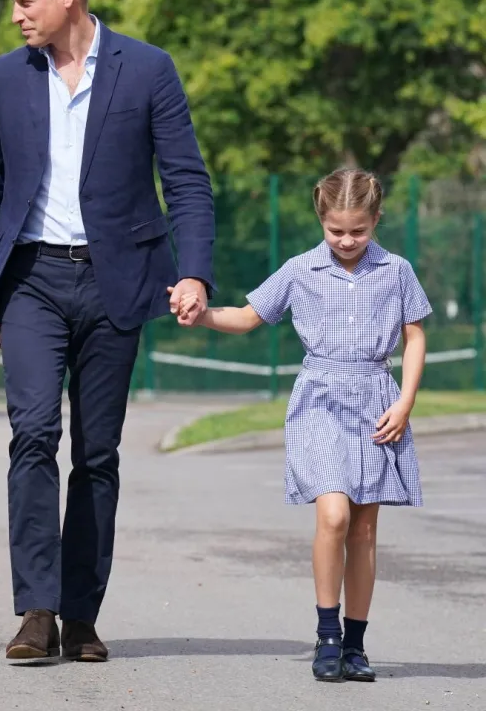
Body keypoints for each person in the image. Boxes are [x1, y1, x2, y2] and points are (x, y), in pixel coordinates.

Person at [0, 0, 216, 661]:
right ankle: (37, 611)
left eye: (24, 0)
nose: (15, 15)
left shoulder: (149, 69)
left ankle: (82, 615)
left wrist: (193, 272)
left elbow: (187, 181)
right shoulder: (4, 79)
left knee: (96, 453)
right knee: (33, 434)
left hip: (117, 281)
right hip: (32, 280)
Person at [179, 168, 430, 683]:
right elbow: (249, 316)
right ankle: (328, 636)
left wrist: (405, 403)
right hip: (319, 398)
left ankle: (356, 646)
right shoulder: (301, 269)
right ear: (322, 220)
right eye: (336, 230)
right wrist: (202, 314)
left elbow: (415, 337)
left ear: (376, 220)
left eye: (358, 231)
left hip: (377, 401)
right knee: (333, 515)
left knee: (363, 527)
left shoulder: (397, 270)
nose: (346, 241)